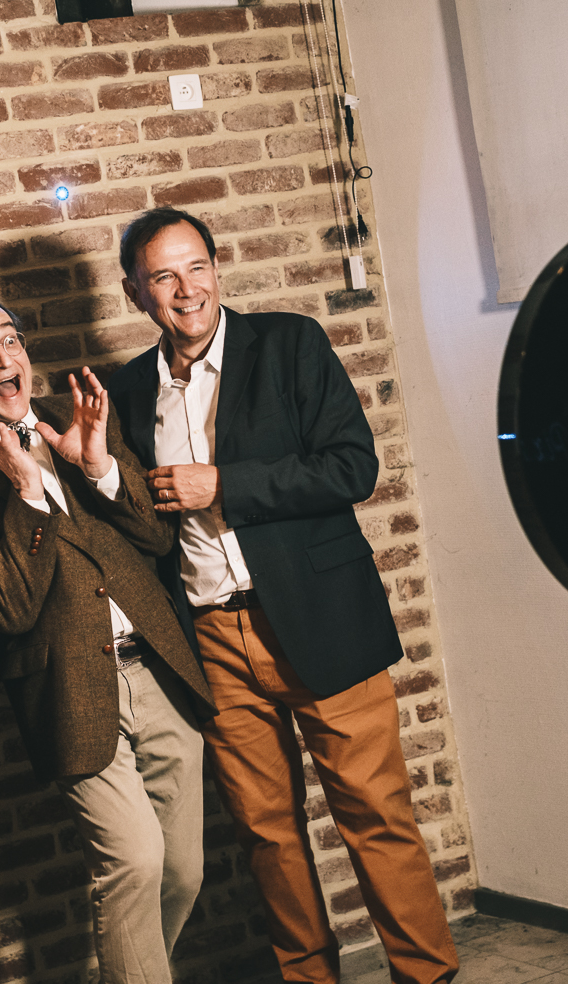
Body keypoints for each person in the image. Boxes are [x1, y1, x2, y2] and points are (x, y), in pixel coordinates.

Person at [107, 208, 459, 984]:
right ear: (135, 293)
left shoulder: (290, 345)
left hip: (320, 621)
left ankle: (427, 975)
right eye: (163, 276)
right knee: (266, 834)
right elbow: (138, 526)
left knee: (376, 816)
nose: (186, 289)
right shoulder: (127, 391)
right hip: (212, 640)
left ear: (217, 267)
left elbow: (351, 467)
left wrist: (222, 486)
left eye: (196, 266)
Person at [0, 291, 215, 984]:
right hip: (68, 689)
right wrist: (26, 490)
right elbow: (7, 607)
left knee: (182, 870)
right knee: (134, 862)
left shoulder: (75, 415)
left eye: (11, 340)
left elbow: (157, 538)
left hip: (157, 668)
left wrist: (98, 467)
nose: (4, 359)